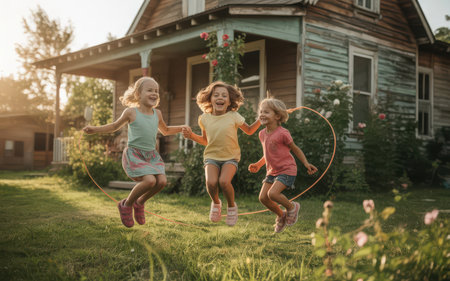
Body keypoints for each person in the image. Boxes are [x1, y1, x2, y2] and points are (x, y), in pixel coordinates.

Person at [83, 77, 187, 228]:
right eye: (149, 90)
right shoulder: (131, 112)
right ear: (138, 94)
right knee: (150, 181)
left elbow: (165, 130)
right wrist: (94, 129)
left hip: (151, 155)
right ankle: (126, 204)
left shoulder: (157, 114)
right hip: (135, 154)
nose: (154, 93)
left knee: (162, 181)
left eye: (156, 91)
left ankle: (140, 202)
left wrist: (182, 127)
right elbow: (114, 126)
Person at [182, 81, 260, 226]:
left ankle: (231, 206)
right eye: (216, 95)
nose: (220, 97)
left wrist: (260, 120)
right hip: (211, 156)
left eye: (224, 95)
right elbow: (205, 140)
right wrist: (191, 135)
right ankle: (216, 203)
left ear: (229, 101)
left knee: (224, 182)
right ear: (210, 99)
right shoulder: (204, 118)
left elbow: (249, 130)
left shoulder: (233, 116)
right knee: (211, 183)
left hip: (231, 157)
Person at [248, 98, 318, 233]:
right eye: (261, 112)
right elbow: (268, 154)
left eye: (266, 112)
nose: (262, 115)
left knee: (273, 194)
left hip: (287, 169)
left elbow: (295, 149)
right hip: (272, 171)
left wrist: (306, 163)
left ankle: (292, 207)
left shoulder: (282, 133)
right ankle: (281, 216)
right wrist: (258, 164)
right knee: (263, 198)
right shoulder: (262, 134)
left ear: (277, 116)